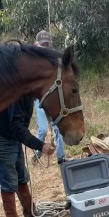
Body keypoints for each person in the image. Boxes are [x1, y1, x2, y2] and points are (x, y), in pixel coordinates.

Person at [0, 95, 55, 217]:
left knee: (21, 177)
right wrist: (40, 146)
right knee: (9, 181)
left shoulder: (28, 92)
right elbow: (17, 127)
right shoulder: (18, 94)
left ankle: (31, 213)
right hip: (0, 137)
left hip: (11, 136)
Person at [34, 30, 68, 165]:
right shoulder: (33, 58)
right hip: (40, 100)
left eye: (47, 44)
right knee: (42, 130)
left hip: (53, 100)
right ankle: (37, 155)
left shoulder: (53, 58)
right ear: (37, 44)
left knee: (58, 128)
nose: (45, 46)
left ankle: (61, 158)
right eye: (43, 44)